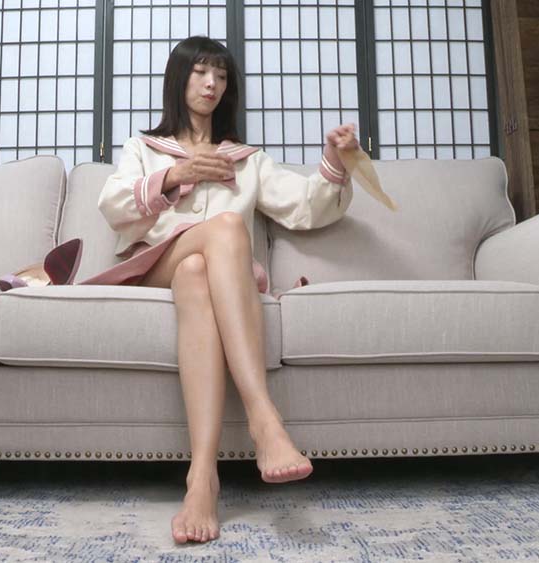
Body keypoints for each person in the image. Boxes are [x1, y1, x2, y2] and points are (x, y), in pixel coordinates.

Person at [22, 35, 357, 544]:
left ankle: (202, 479)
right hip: (153, 265)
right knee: (226, 228)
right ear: (179, 79)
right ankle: (264, 418)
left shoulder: (246, 159)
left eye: (220, 75)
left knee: (198, 271)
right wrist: (176, 175)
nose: (211, 84)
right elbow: (114, 205)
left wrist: (335, 159)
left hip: (199, 275)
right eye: (201, 72)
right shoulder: (144, 148)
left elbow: (307, 207)